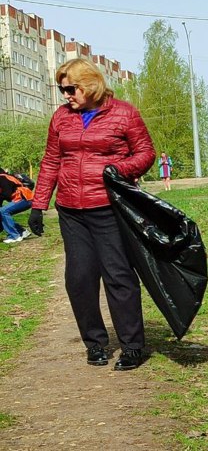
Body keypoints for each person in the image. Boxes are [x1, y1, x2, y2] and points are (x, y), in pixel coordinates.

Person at [28, 58, 156, 370]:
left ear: (90, 84)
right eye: (62, 89)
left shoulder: (124, 113)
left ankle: (132, 347)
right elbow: (51, 161)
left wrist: (118, 169)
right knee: (79, 278)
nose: (66, 95)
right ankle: (95, 343)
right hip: (72, 210)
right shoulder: (61, 117)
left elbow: (146, 153)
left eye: (70, 88)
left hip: (109, 207)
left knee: (118, 276)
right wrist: (38, 204)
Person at [0, 169, 34, 243]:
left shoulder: (2, 177)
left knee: (3, 211)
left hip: (25, 198)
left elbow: (6, 194)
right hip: (25, 199)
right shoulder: (4, 177)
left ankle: (14, 236)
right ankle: (22, 232)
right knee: (2, 213)